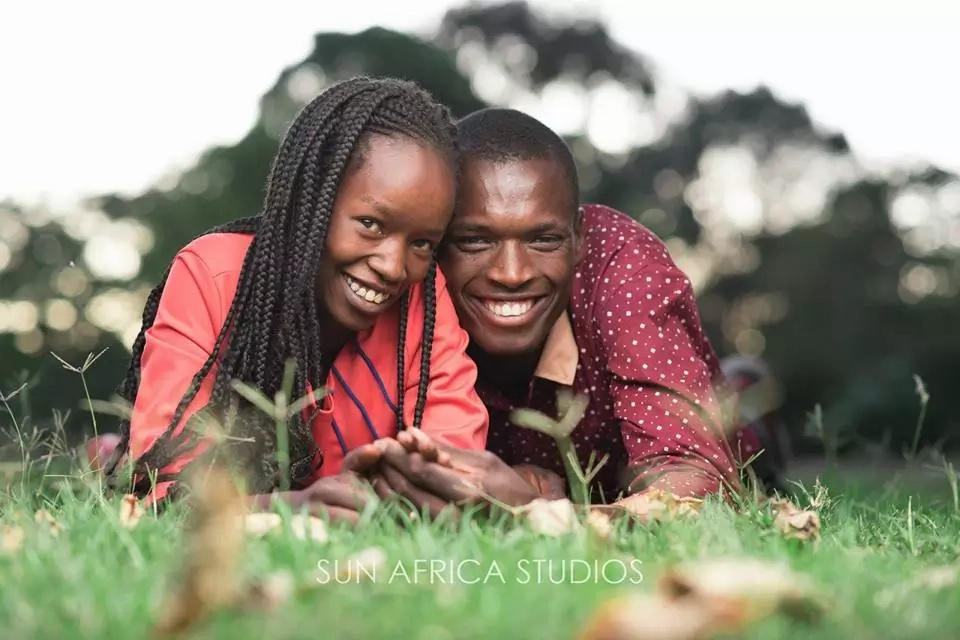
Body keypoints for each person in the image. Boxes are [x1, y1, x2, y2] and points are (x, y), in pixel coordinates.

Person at [349, 107, 790, 516]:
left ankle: (750, 400)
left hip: (691, 446)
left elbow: (698, 484)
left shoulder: (624, 268)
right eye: (475, 241)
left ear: (578, 238)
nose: (511, 273)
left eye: (543, 240)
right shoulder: (399, 276)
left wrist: (540, 516)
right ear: (436, 238)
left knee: (747, 437)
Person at [98, 76, 489, 520]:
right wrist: (293, 508)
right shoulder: (214, 274)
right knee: (104, 456)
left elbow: (458, 477)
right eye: (371, 224)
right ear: (313, 198)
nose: (394, 265)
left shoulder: (424, 297)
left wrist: (422, 487)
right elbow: (158, 490)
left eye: (422, 243)